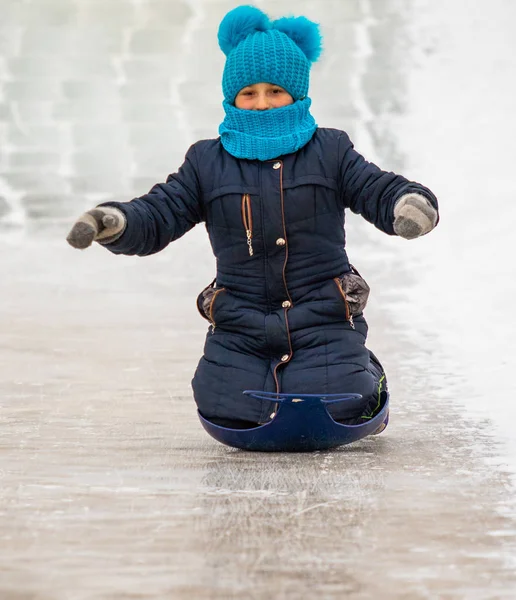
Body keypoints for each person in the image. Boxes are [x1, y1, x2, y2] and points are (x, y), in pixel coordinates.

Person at [66, 5, 438, 433]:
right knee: (226, 407)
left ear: (296, 93)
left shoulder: (330, 151)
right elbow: (159, 211)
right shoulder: (207, 162)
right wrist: (116, 221)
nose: (262, 103)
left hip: (322, 317)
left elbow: (377, 187)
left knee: (342, 403)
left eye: (275, 90)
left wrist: (408, 204)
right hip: (241, 324)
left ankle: (363, 368)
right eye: (250, 92)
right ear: (232, 96)